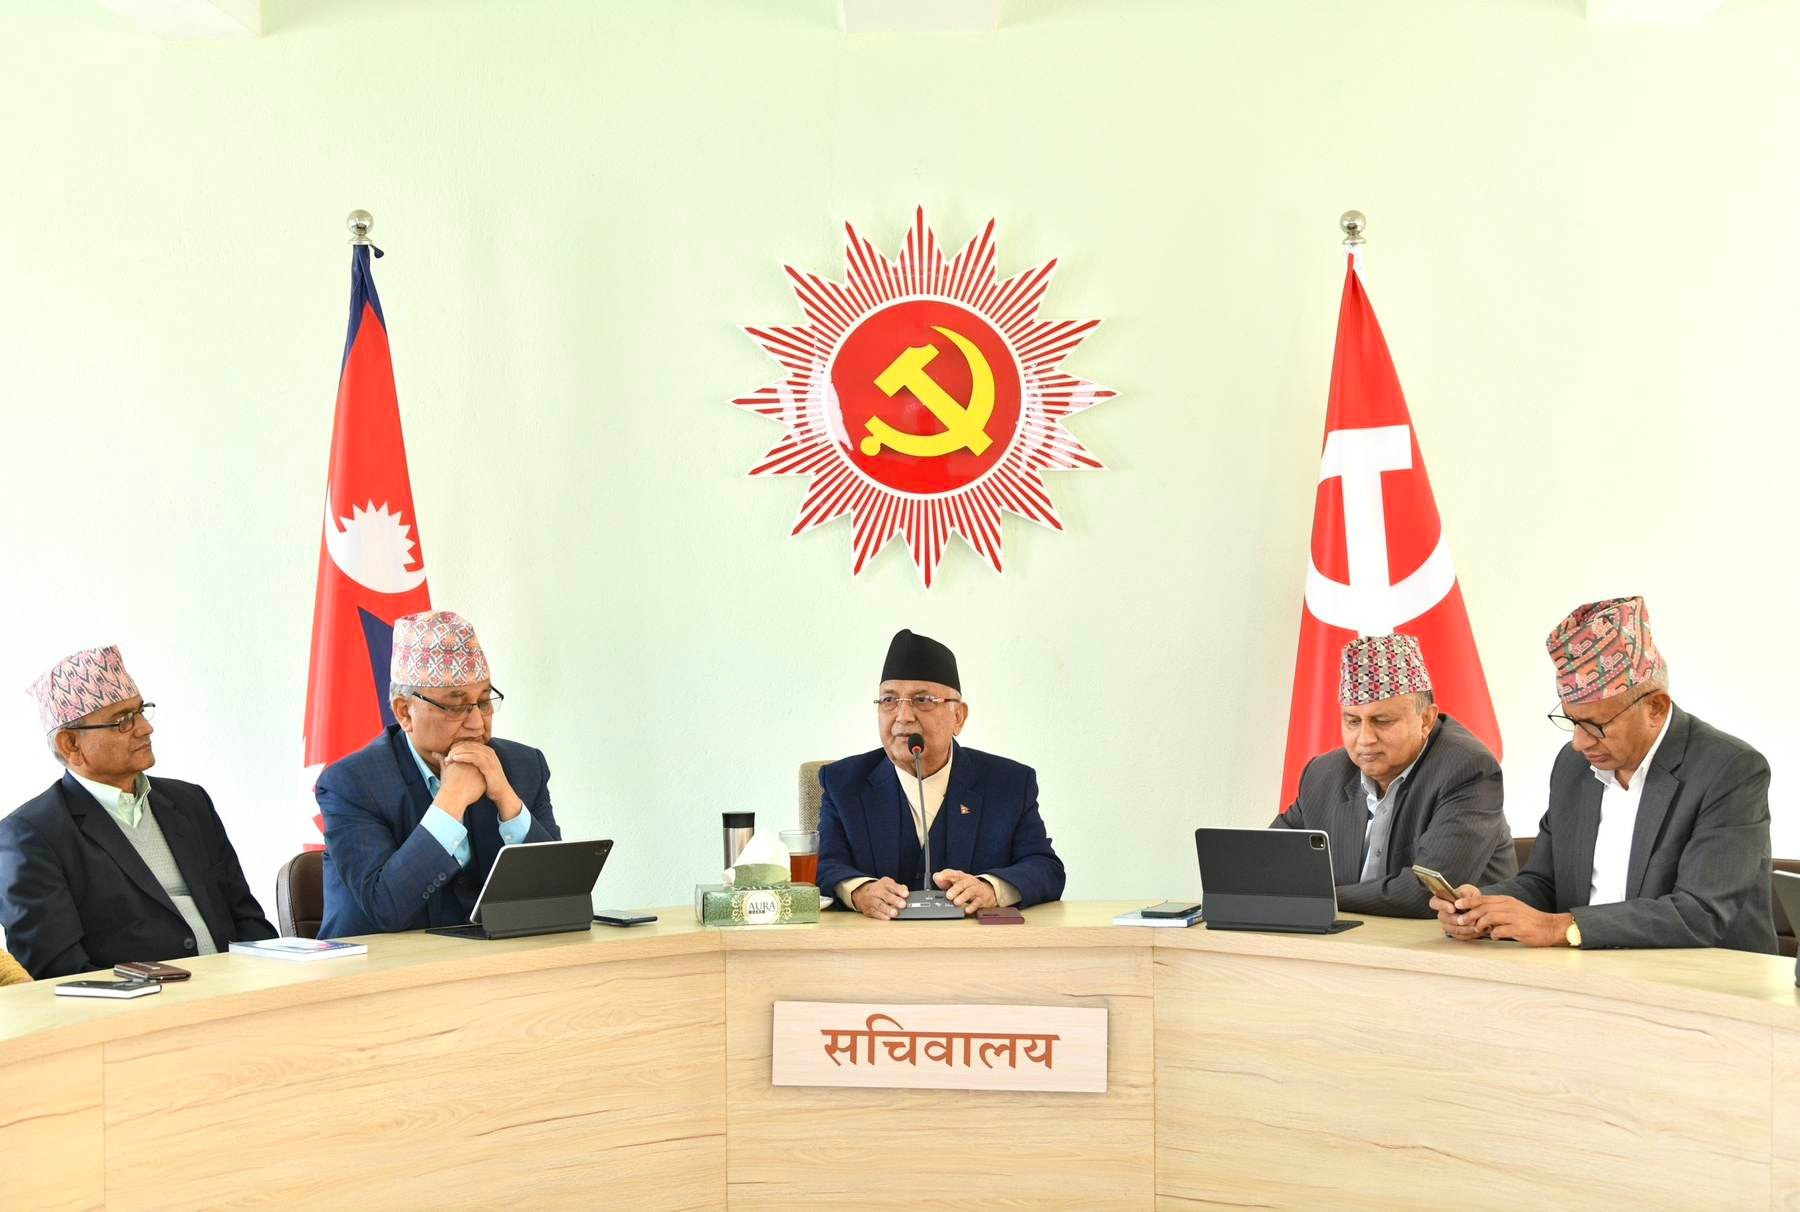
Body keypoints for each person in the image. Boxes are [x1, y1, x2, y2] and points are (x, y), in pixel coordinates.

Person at [1432, 596, 1774, 952]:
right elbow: (1545, 883)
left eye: (1596, 725)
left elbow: (1699, 914)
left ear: (1655, 708)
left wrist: (1561, 928)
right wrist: (1482, 907)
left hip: (1702, 975)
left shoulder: (1730, 770)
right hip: (1590, 970)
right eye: (1572, 721)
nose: (1579, 743)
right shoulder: (1573, 766)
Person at [0, 646, 275, 979]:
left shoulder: (190, 802)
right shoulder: (30, 835)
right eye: (123, 720)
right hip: (138, 1006)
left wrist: (271, 980)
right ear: (70, 745)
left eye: (141, 711)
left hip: (237, 991)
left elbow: (247, 919)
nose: (145, 728)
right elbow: (59, 972)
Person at [317, 611, 560, 936]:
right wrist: (451, 801)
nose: (477, 724)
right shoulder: (352, 784)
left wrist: (507, 800)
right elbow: (385, 908)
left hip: (490, 964)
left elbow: (559, 899)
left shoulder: (522, 766)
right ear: (405, 712)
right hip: (379, 964)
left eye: (484, 702)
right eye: (456, 706)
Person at [817, 629, 1065, 920]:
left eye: (922, 700)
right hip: (873, 946)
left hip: (976, 947)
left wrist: (991, 889)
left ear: (958, 717)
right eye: (889, 700)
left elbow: (1045, 868)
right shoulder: (843, 782)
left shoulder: (1009, 783)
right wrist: (860, 891)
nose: (903, 716)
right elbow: (823, 865)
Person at [1272, 633, 1512, 916]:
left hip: (1449, 938)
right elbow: (1268, 859)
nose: (1365, 739)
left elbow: (1424, 894)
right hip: (1350, 935)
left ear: (1426, 719)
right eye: (1352, 721)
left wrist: (1318, 896)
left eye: (1382, 721)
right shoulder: (1323, 774)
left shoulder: (1469, 770)